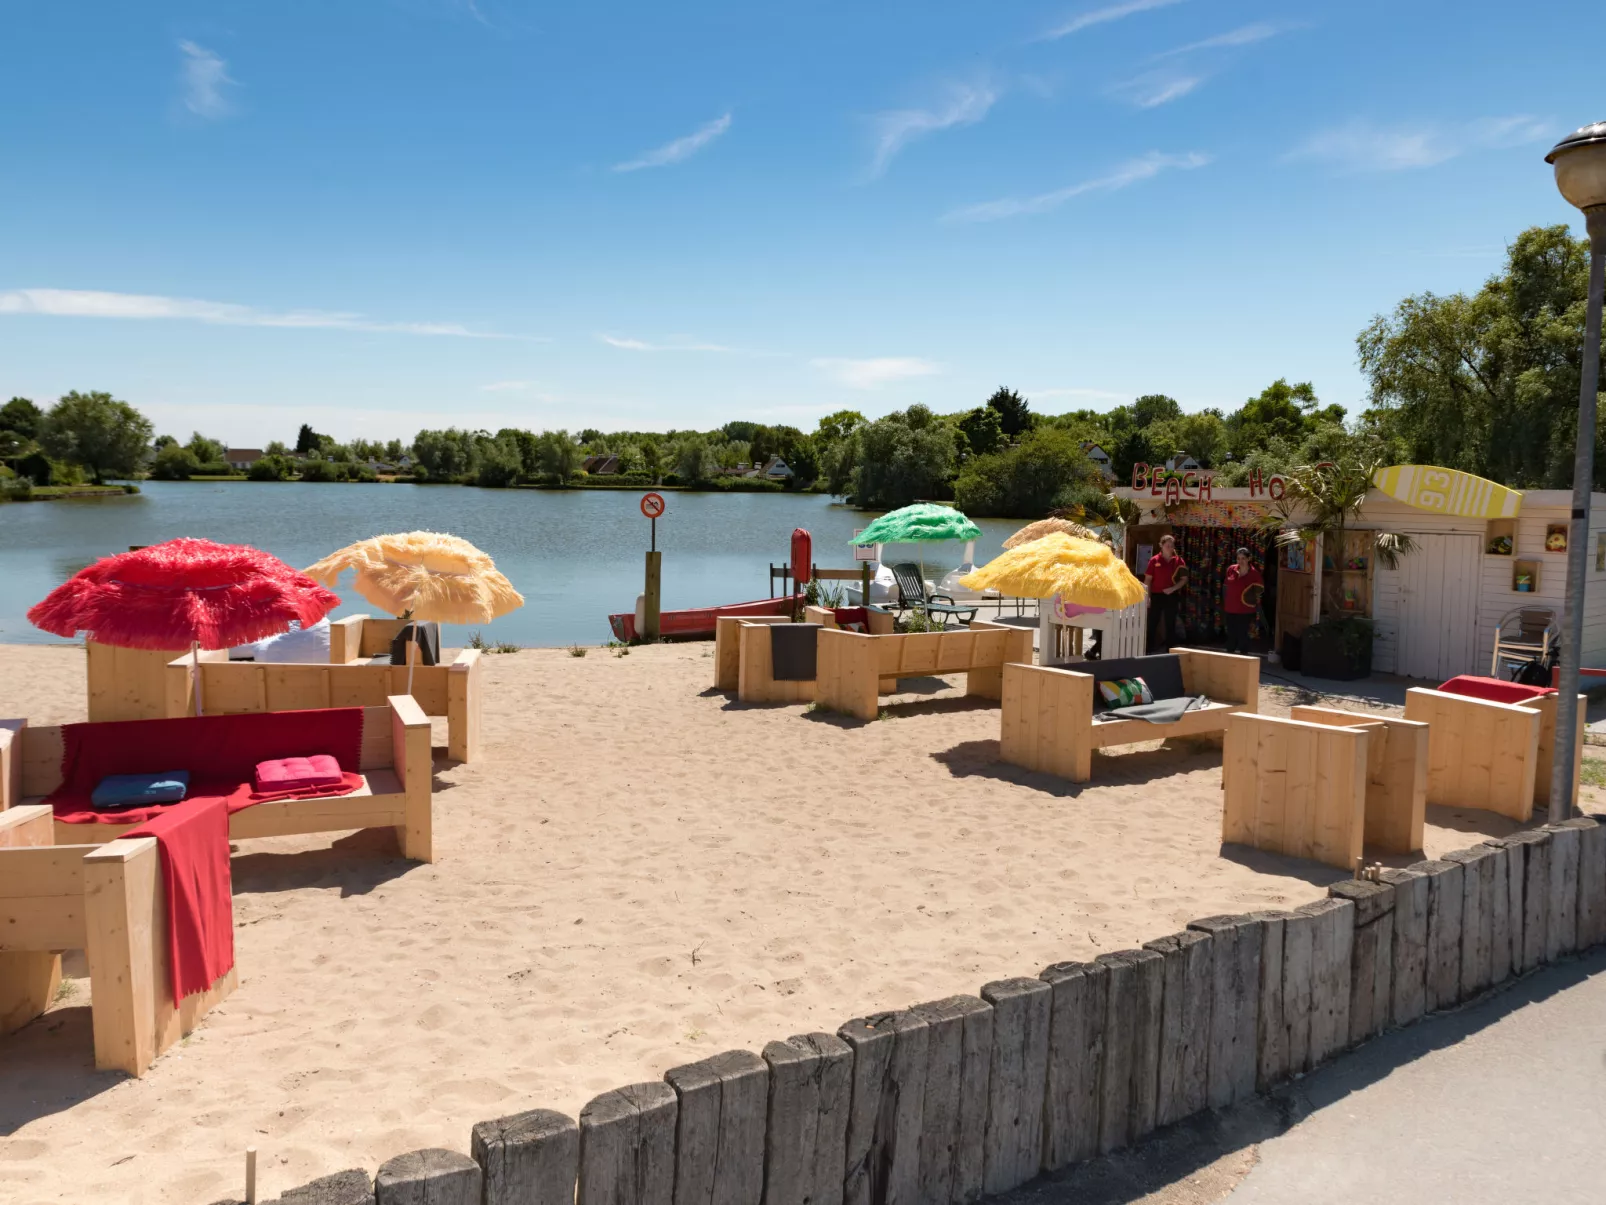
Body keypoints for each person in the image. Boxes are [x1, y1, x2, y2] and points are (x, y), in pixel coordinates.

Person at [1144, 534, 1186, 652]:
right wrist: (1147, 597)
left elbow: (1184, 579)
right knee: (1153, 622)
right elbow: (1148, 580)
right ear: (1161, 546)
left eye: (1172, 546)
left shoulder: (1179, 561)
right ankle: (1148, 648)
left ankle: (1170, 649)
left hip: (1171, 595)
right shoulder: (1154, 560)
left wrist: (1173, 588)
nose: (1170, 548)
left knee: (1170, 623)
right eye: (1167, 545)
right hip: (1157, 595)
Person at [1223, 546, 1263, 655]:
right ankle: (1229, 657)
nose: (1241, 561)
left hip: (1245, 610)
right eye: (1239, 558)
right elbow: (1226, 586)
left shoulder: (1254, 573)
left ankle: (1244, 658)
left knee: (1242, 635)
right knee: (1231, 634)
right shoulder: (1231, 569)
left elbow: (1259, 590)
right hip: (1230, 608)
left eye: (1243, 558)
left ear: (1248, 559)